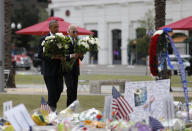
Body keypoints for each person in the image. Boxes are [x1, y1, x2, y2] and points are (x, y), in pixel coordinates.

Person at [38, 20, 63, 112]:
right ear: (50, 28)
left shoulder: (62, 39)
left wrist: (63, 57)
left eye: (58, 27)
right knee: (52, 93)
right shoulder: (44, 39)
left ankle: (47, 109)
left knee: (60, 90)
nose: (57, 29)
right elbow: (40, 54)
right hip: (49, 71)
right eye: (55, 27)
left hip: (59, 71)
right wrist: (52, 57)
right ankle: (52, 113)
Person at [63, 25, 83, 107]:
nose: (75, 33)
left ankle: (73, 108)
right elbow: (62, 55)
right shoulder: (64, 41)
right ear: (68, 32)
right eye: (73, 31)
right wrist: (71, 55)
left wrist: (81, 55)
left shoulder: (78, 42)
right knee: (70, 88)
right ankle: (69, 107)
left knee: (74, 90)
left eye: (76, 32)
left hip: (75, 69)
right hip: (67, 69)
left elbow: (81, 57)